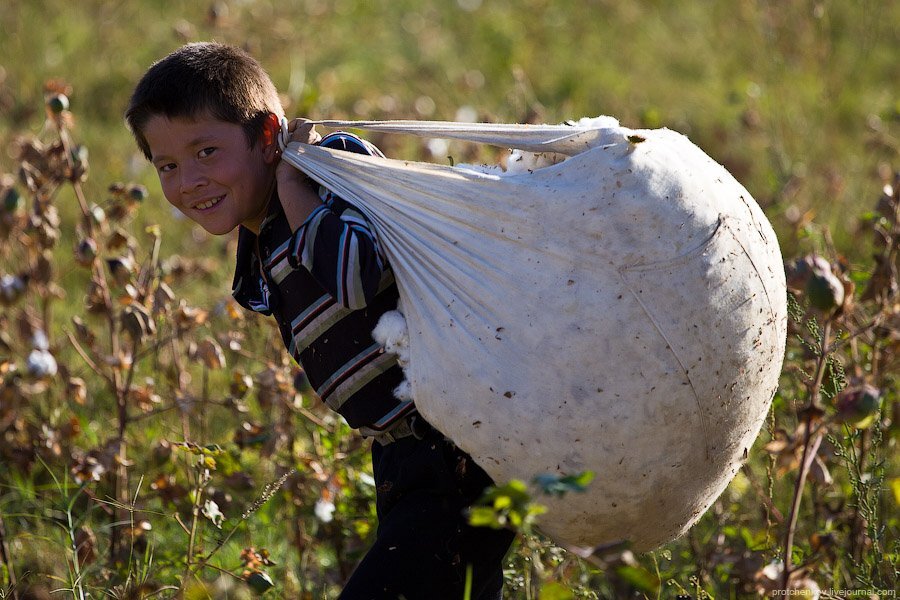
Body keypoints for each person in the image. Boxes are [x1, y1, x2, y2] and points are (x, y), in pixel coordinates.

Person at [124, 42, 514, 599]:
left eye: (206, 151)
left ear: (267, 137)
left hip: (454, 446)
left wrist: (292, 183)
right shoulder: (262, 240)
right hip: (401, 455)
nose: (187, 182)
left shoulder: (331, 175)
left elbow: (356, 279)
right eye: (167, 165)